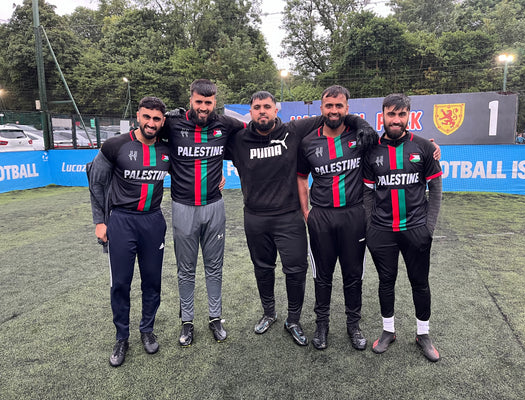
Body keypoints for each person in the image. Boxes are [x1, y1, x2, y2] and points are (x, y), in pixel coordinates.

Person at [224, 91, 375, 346]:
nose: (262, 111)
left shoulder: (293, 131)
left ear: (276, 110)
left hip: (289, 217)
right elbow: (206, 149)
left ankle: (293, 319)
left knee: (296, 270)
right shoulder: (239, 140)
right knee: (263, 268)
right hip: (254, 218)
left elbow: (334, 115)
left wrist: (363, 124)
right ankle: (269, 313)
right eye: (257, 107)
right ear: (250, 111)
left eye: (267, 107)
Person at [88, 96, 170, 367]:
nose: (151, 123)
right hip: (121, 221)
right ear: (138, 116)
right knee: (120, 283)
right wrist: (100, 221)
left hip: (153, 221)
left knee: (152, 281)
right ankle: (121, 336)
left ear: (163, 121)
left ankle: (147, 330)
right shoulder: (115, 146)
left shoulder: (167, 149)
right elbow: (96, 182)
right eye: (147, 117)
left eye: (157, 118)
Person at [162, 79, 244, 347]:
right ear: (191, 100)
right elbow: (146, 133)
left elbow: (252, 132)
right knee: (185, 269)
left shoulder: (225, 124)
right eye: (199, 102)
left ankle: (215, 318)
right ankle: (187, 322)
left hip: (214, 206)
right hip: (183, 207)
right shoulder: (173, 124)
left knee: (214, 267)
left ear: (215, 102)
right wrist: (167, 114)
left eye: (208, 102)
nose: (203, 107)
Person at [363, 93, 443, 362]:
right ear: (382, 116)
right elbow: (367, 194)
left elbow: (436, 189)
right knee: (386, 282)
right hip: (382, 231)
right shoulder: (371, 150)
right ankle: (388, 331)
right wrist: (370, 226)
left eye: (401, 114)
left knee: (419, 282)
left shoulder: (423, 147)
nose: (396, 120)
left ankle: (423, 334)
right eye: (391, 114)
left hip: (416, 229)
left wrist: (428, 227)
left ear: (409, 116)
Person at [297, 85, 376, 351]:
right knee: (323, 275)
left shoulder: (360, 136)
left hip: (354, 215)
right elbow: (300, 177)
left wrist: (431, 146)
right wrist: (305, 211)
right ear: (321, 109)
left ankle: (353, 325)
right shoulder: (308, 141)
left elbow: (391, 142)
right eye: (329, 106)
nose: (333, 110)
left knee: (353, 275)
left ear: (347, 109)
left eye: (338, 106)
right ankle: (322, 325)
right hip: (321, 217)